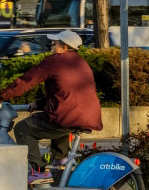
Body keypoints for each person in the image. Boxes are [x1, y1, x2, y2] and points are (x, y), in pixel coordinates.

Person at [0, 30, 102, 182]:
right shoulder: (81, 63)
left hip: (68, 114)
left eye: (54, 44)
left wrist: (2, 96)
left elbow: (26, 81)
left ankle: (38, 171)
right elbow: (65, 92)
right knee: (60, 122)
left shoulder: (54, 61)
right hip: (88, 115)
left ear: (64, 48)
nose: (52, 47)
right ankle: (60, 159)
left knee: (22, 129)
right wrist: (39, 104)